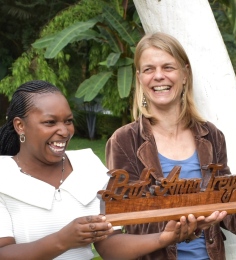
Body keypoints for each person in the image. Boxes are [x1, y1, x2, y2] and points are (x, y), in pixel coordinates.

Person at [0, 80, 203, 260]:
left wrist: (163, 238)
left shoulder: (87, 165)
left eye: (68, 121)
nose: (64, 131)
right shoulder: (3, 176)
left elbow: (109, 245)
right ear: (20, 126)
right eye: (50, 122)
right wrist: (62, 240)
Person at [106, 32, 236, 260]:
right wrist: (175, 227)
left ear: (185, 73)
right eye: (149, 69)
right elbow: (122, 218)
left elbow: (223, 199)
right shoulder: (124, 140)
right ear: (139, 77)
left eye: (168, 67)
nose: (159, 76)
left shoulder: (212, 135)